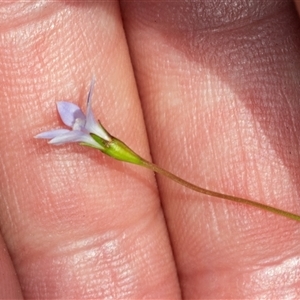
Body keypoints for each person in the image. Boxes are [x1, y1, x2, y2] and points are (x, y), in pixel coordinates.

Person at [1, 1, 300, 298]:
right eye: (79, 123)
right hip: (103, 140)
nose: (74, 117)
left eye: (81, 121)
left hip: (104, 140)